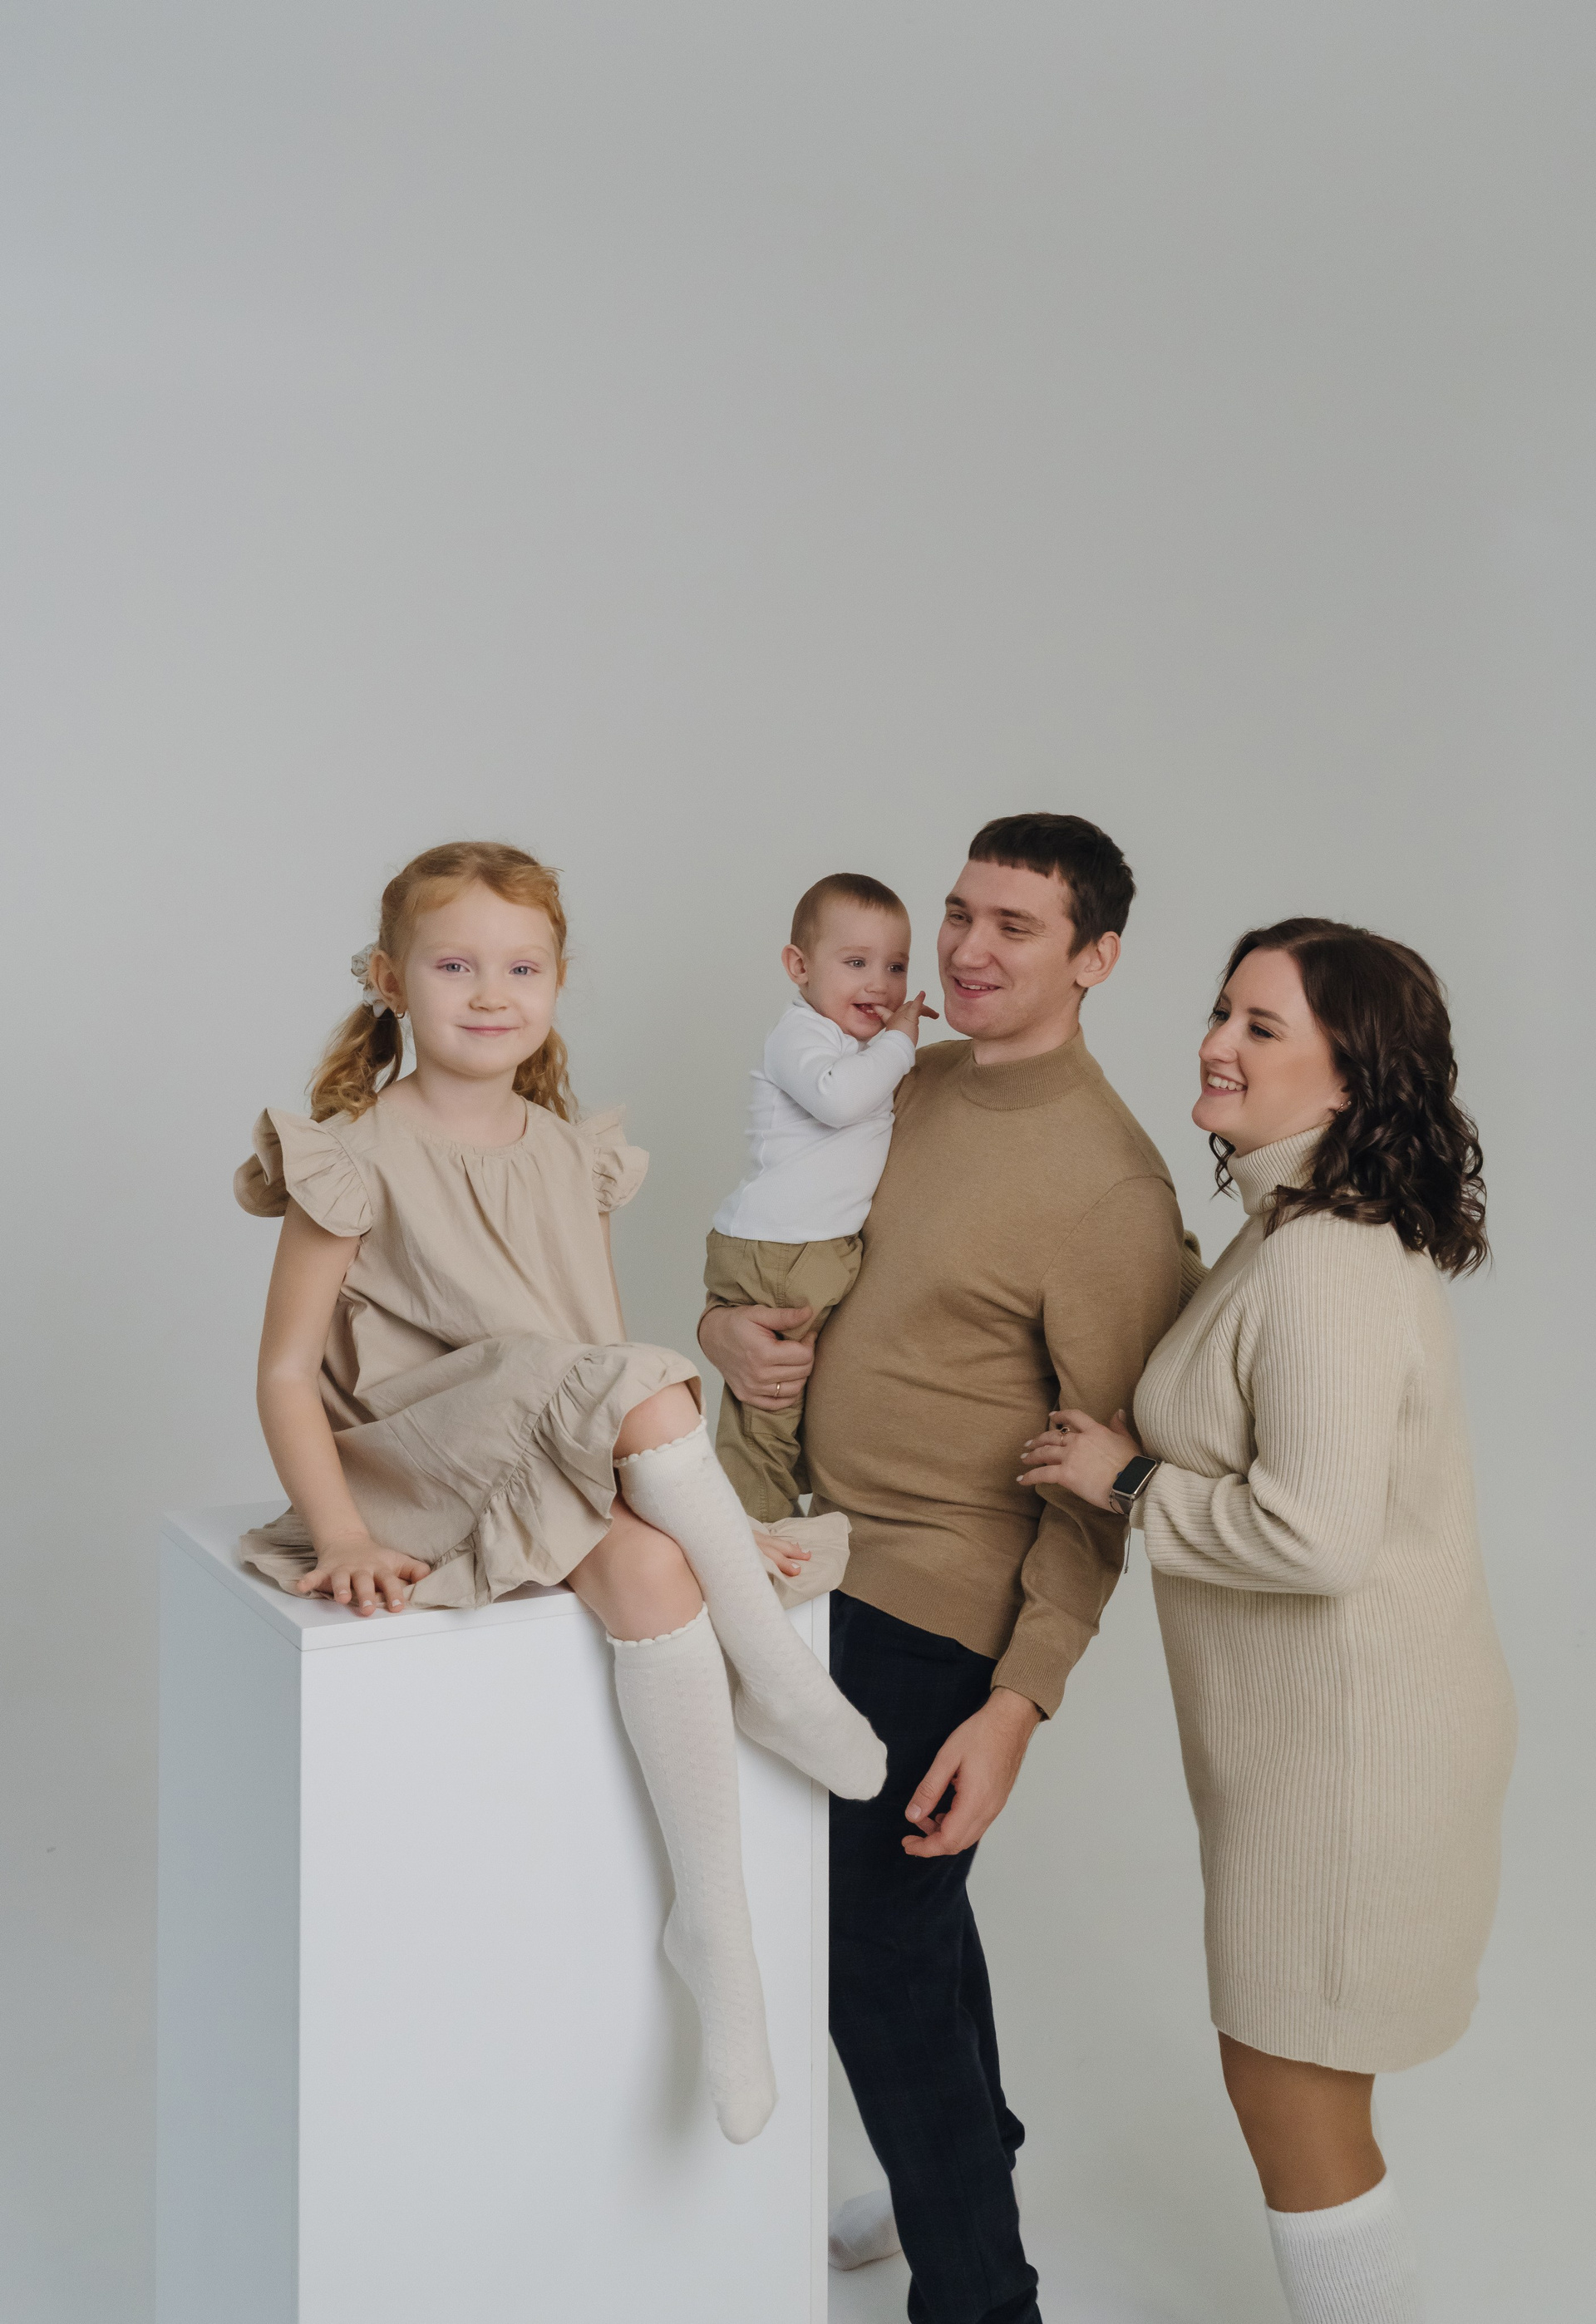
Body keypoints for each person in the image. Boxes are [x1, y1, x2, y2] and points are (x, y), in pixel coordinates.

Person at [233, 839, 886, 2147]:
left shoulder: (566, 1153)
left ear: (559, 981)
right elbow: (288, 1374)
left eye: (521, 968)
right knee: (637, 1391)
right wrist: (345, 1528)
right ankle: (780, 1681)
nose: (491, 993)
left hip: (548, 1438)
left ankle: (716, 1931)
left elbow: (594, 1339)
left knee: (652, 1570)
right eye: (455, 966)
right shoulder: (351, 1158)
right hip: (426, 1458)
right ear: (389, 980)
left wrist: (695, 1516)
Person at [699, 814, 1193, 2324]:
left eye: (1016, 927)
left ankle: (982, 2296)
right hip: (820, 1556)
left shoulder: (1109, 1189)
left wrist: (1018, 1703)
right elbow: (791, 1256)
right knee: (908, 1918)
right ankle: (967, 2170)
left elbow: (1101, 1490)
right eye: (960, 914)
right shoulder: (900, 1081)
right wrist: (724, 1334)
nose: (968, 950)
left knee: (869, 1939)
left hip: (940, 1602)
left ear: (1097, 959)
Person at [1022, 918, 1515, 2324]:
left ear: (1349, 1078)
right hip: (1320, 1743)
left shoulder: (1321, 1261)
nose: (1216, 1044)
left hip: (1354, 1758)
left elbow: (1316, 1534)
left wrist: (1127, 1481)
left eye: (1261, 1026)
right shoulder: (1282, 1229)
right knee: (1295, 2077)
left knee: (1289, 2084)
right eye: (1222, 1012)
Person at [705, 871, 936, 1521]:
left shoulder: (855, 1047)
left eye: (896, 967)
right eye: (855, 962)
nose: (879, 984)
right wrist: (900, 1041)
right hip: (783, 1246)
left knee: (791, 1402)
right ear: (799, 967)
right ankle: (754, 1535)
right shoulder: (801, 1035)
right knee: (767, 1413)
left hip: (806, 1245)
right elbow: (838, 1099)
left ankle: (766, 1517)